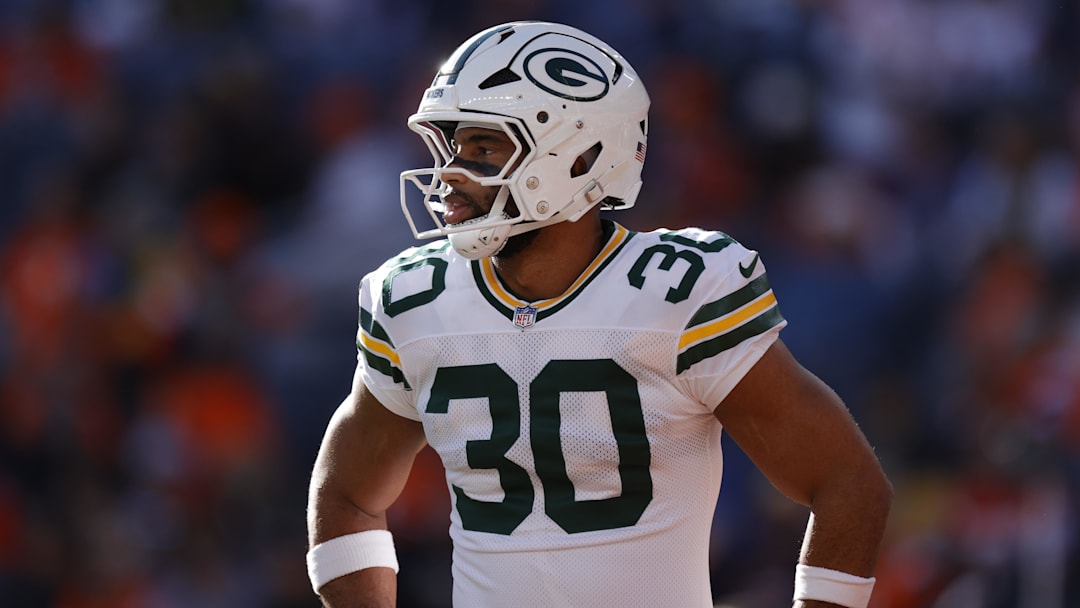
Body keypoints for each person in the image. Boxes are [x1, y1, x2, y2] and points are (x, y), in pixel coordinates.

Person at [306, 21, 892, 608]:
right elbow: (346, 496)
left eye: (484, 149)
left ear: (579, 156)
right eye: (453, 149)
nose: (453, 175)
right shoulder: (415, 296)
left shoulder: (679, 292)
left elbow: (848, 483)